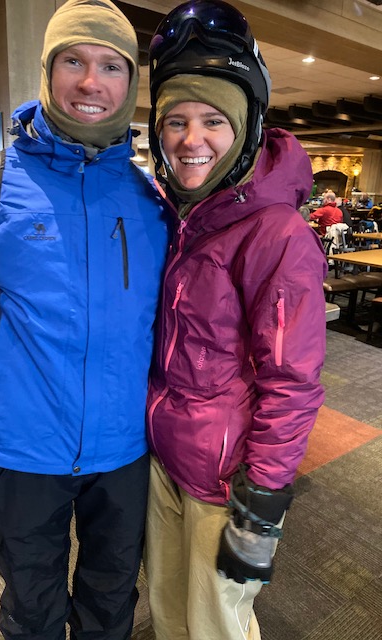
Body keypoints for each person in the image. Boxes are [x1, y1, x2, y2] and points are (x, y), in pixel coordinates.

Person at [0, 1, 168, 638]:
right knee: (32, 607)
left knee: (112, 602)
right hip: (23, 448)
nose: (91, 82)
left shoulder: (151, 200)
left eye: (112, 66)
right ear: (48, 71)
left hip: (125, 449)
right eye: (73, 61)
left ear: (131, 82)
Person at [144, 2, 327, 639]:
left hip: (225, 478)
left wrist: (263, 500)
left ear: (245, 124)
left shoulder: (276, 233)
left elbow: (293, 380)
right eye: (176, 121)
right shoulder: (179, 217)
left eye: (213, 120)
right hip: (164, 456)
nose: (191, 140)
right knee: (168, 609)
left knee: (216, 624)